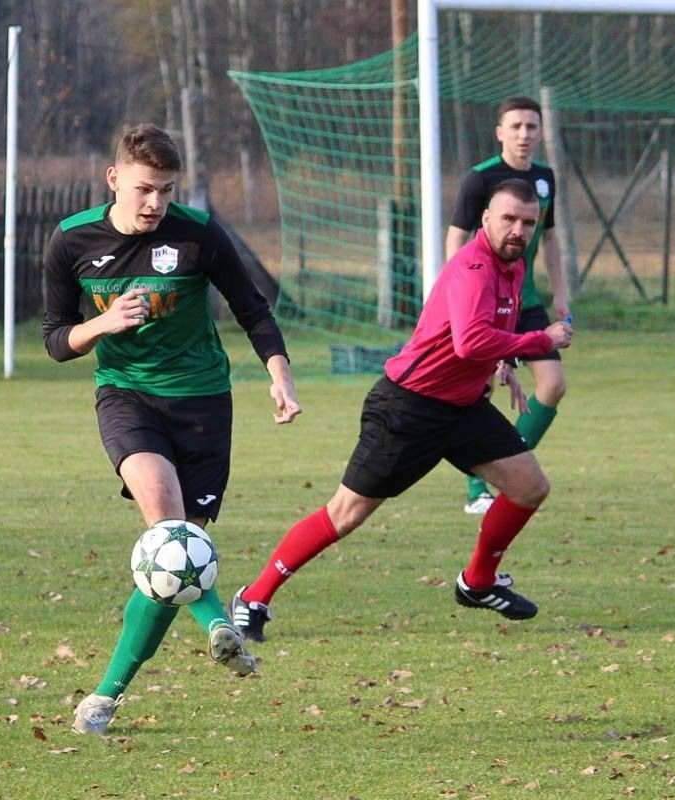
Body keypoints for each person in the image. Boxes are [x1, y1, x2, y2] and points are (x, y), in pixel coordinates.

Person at [228, 179, 571, 642]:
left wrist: (505, 364)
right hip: (410, 407)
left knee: (530, 486)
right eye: (508, 219)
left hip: (462, 407)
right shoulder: (473, 266)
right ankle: (253, 598)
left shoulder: (511, 265)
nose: (518, 230)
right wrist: (539, 341)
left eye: (528, 223)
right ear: (485, 219)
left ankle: (478, 582)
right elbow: (470, 342)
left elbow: (486, 332)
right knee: (346, 513)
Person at [42, 124, 302, 735]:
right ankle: (218, 624)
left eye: (165, 190)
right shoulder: (72, 240)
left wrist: (280, 376)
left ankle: (104, 697)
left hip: (204, 402)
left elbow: (252, 308)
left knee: (174, 562)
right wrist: (103, 324)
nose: (155, 202)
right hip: (127, 396)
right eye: (144, 189)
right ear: (114, 179)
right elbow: (55, 339)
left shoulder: (198, 233)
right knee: (168, 533)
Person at [445, 96, 571, 515]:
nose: (523, 134)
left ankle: (509, 470)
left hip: (526, 299)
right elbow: (456, 236)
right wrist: (460, 293)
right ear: (500, 132)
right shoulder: (481, 178)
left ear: (540, 132)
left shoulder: (545, 178)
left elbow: (549, 238)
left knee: (553, 384)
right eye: (515, 126)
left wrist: (560, 292)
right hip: (488, 298)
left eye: (531, 126)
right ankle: (476, 489)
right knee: (480, 389)